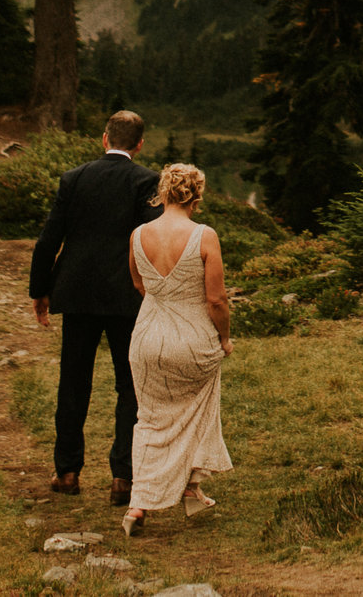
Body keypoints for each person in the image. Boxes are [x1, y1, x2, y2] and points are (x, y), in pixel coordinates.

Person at [29, 110, 163, 500]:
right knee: (130, 384)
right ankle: (123, 475)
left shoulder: (74, 178)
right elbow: (151, 239)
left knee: (73, 381)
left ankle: (67, 472)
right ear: (139, 144)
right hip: (128, 295)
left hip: (78, 293)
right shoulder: (146, 181)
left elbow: (48, 237)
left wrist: (40, 289)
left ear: (104, 139)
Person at [121, 161, 233, 536]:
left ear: (163, 192)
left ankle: (138, 505)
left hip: (148, 337)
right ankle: (190, 485)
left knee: (150, 419)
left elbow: (140, 284)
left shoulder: (138, 235)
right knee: (200, 405)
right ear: (195, 195)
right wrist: (225, 338)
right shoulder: (204, 235)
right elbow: (216, 299)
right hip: (191, 339)